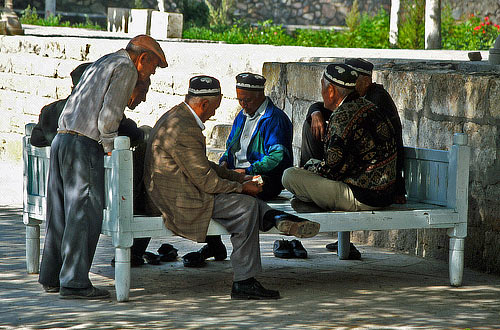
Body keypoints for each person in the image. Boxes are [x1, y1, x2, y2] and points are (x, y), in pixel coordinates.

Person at [143, 75, 320, 300]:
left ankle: (274, 219)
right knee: (246, 207)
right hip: (178, 200)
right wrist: (242, 187)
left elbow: (203, 166)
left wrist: (239, 180)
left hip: (179, 190)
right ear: (204, 103)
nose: (214, 114)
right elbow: (206, 180)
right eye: (214, 108)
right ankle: (245, 280)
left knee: (247, 202)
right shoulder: (187, 129)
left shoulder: (177, 117)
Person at [38, 34, 167, 300]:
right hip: (84, 144)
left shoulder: (105, 61)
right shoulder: (126, 68)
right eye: (152, 67)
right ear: (142, 58)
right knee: (83, 214)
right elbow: (110, 116)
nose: (149, 74)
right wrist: (109, 147)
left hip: (64, 138)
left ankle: (52, 276)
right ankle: (74, 282)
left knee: (60, 212)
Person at [282, 63, 398, 259]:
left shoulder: (341, 117)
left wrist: (310, 167)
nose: (321, 93)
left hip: (362, 196)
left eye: (321, 87)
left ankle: (311, 200)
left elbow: (333, 169)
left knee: (289, 176)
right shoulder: (371, 108)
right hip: (385, 193)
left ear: (331, 90)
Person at [186, 72, 301, 263]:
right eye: (240, 99)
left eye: (247, 100)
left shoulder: (275, 119)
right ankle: (215, 245)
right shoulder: (241, 115)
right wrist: (223, 163)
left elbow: (278, 157)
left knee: (227, 197)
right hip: (237, 174)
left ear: (260, 96)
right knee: (203, 190)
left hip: (265, 178)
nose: (243, 105)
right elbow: (230, 147)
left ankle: (272, 222)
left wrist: (248, 171)